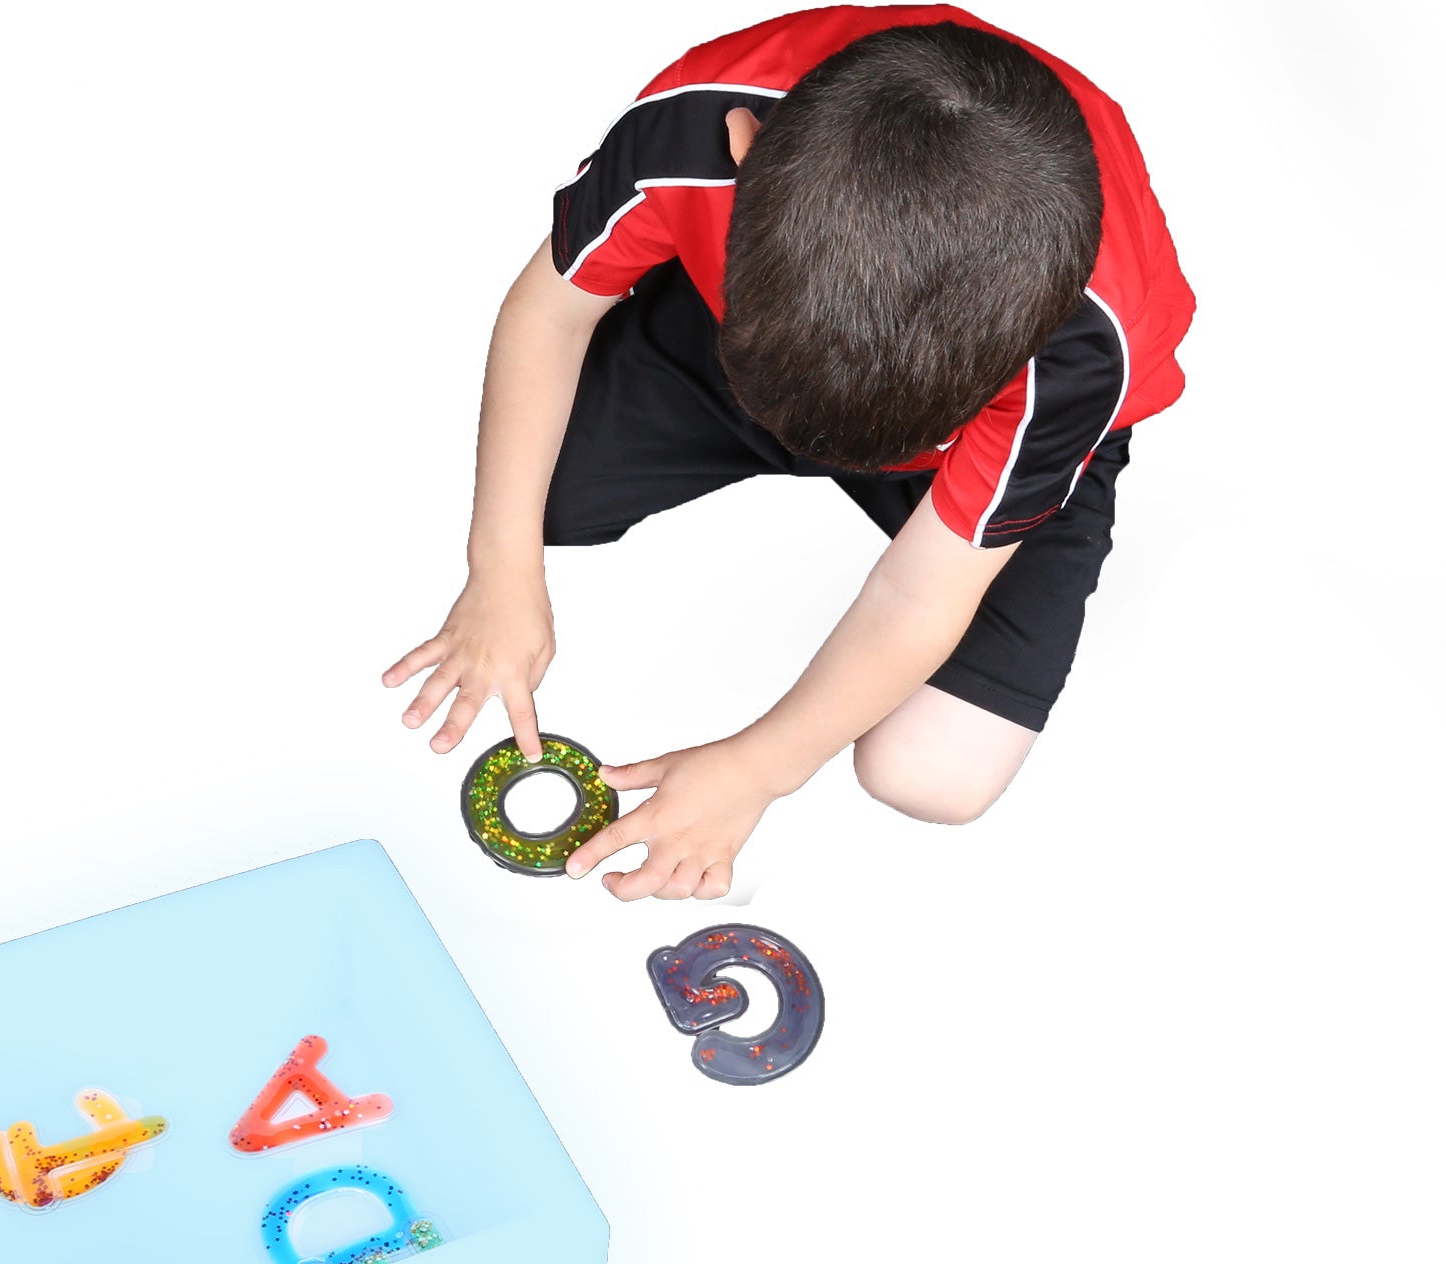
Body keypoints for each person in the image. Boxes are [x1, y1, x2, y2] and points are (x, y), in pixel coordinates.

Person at [383, 6, 1194, 901]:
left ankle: (979, 462)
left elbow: (924, 587)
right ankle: (770, 370)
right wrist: (498, 569)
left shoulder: (1079, 349)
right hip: (765, 332)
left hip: (977, 426)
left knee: (931, 774)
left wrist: (760, 766)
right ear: (743, 150)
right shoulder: (690, 128)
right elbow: (549, 312)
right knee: (538, 500)